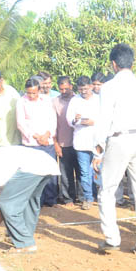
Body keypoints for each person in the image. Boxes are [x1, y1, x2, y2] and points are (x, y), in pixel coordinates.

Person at [92, 44, 136, 256]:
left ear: (114, 64)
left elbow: (103, 120)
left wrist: (98, 151)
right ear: (132, 63)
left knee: (107, 190)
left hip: (119, 140)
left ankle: (112, 239)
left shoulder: (109, 87)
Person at [0, 147, 59, 251]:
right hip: (47, 164)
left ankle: (25, 244)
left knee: (8, 203)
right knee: (28, 202)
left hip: (32, 167)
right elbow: (4, 208)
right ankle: (24, 237)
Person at [15, 77, 58, 207]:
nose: (32, 95)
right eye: (29, 93)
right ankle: (36, 200)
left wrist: (47, 134)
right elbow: (20, 123)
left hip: (47, 141)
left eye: (34, 92)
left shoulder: (46, 100)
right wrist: (36, 137)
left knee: (50, 171)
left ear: (39, 90)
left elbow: (52, 119)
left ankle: (51, 199)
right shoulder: (21, 102)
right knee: (34, 172)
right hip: (31, 143)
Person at [66, 76, 100, 209]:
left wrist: (94, 122)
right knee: (84, 172)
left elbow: (105, 118)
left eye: (85, 89)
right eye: (81, 89)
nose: (84, 91)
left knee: (99, 170)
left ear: (91, 86)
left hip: (97, 141)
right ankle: (88, 197)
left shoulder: (99, 100)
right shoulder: (75, 101)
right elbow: (69, 120)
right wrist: (77, 120)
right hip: (81, 141)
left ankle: (101, 195)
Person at [52, 76, 78, 206]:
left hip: (79, 142)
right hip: (63, 143)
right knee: (66, 173)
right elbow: (53, 125)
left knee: (81, 172)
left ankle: (82, 197)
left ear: (71, 86)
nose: (63, 91)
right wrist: (56, 144)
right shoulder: (55, 102)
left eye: (66, 89)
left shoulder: (79, 100)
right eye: (61, 89)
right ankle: (68, 198)